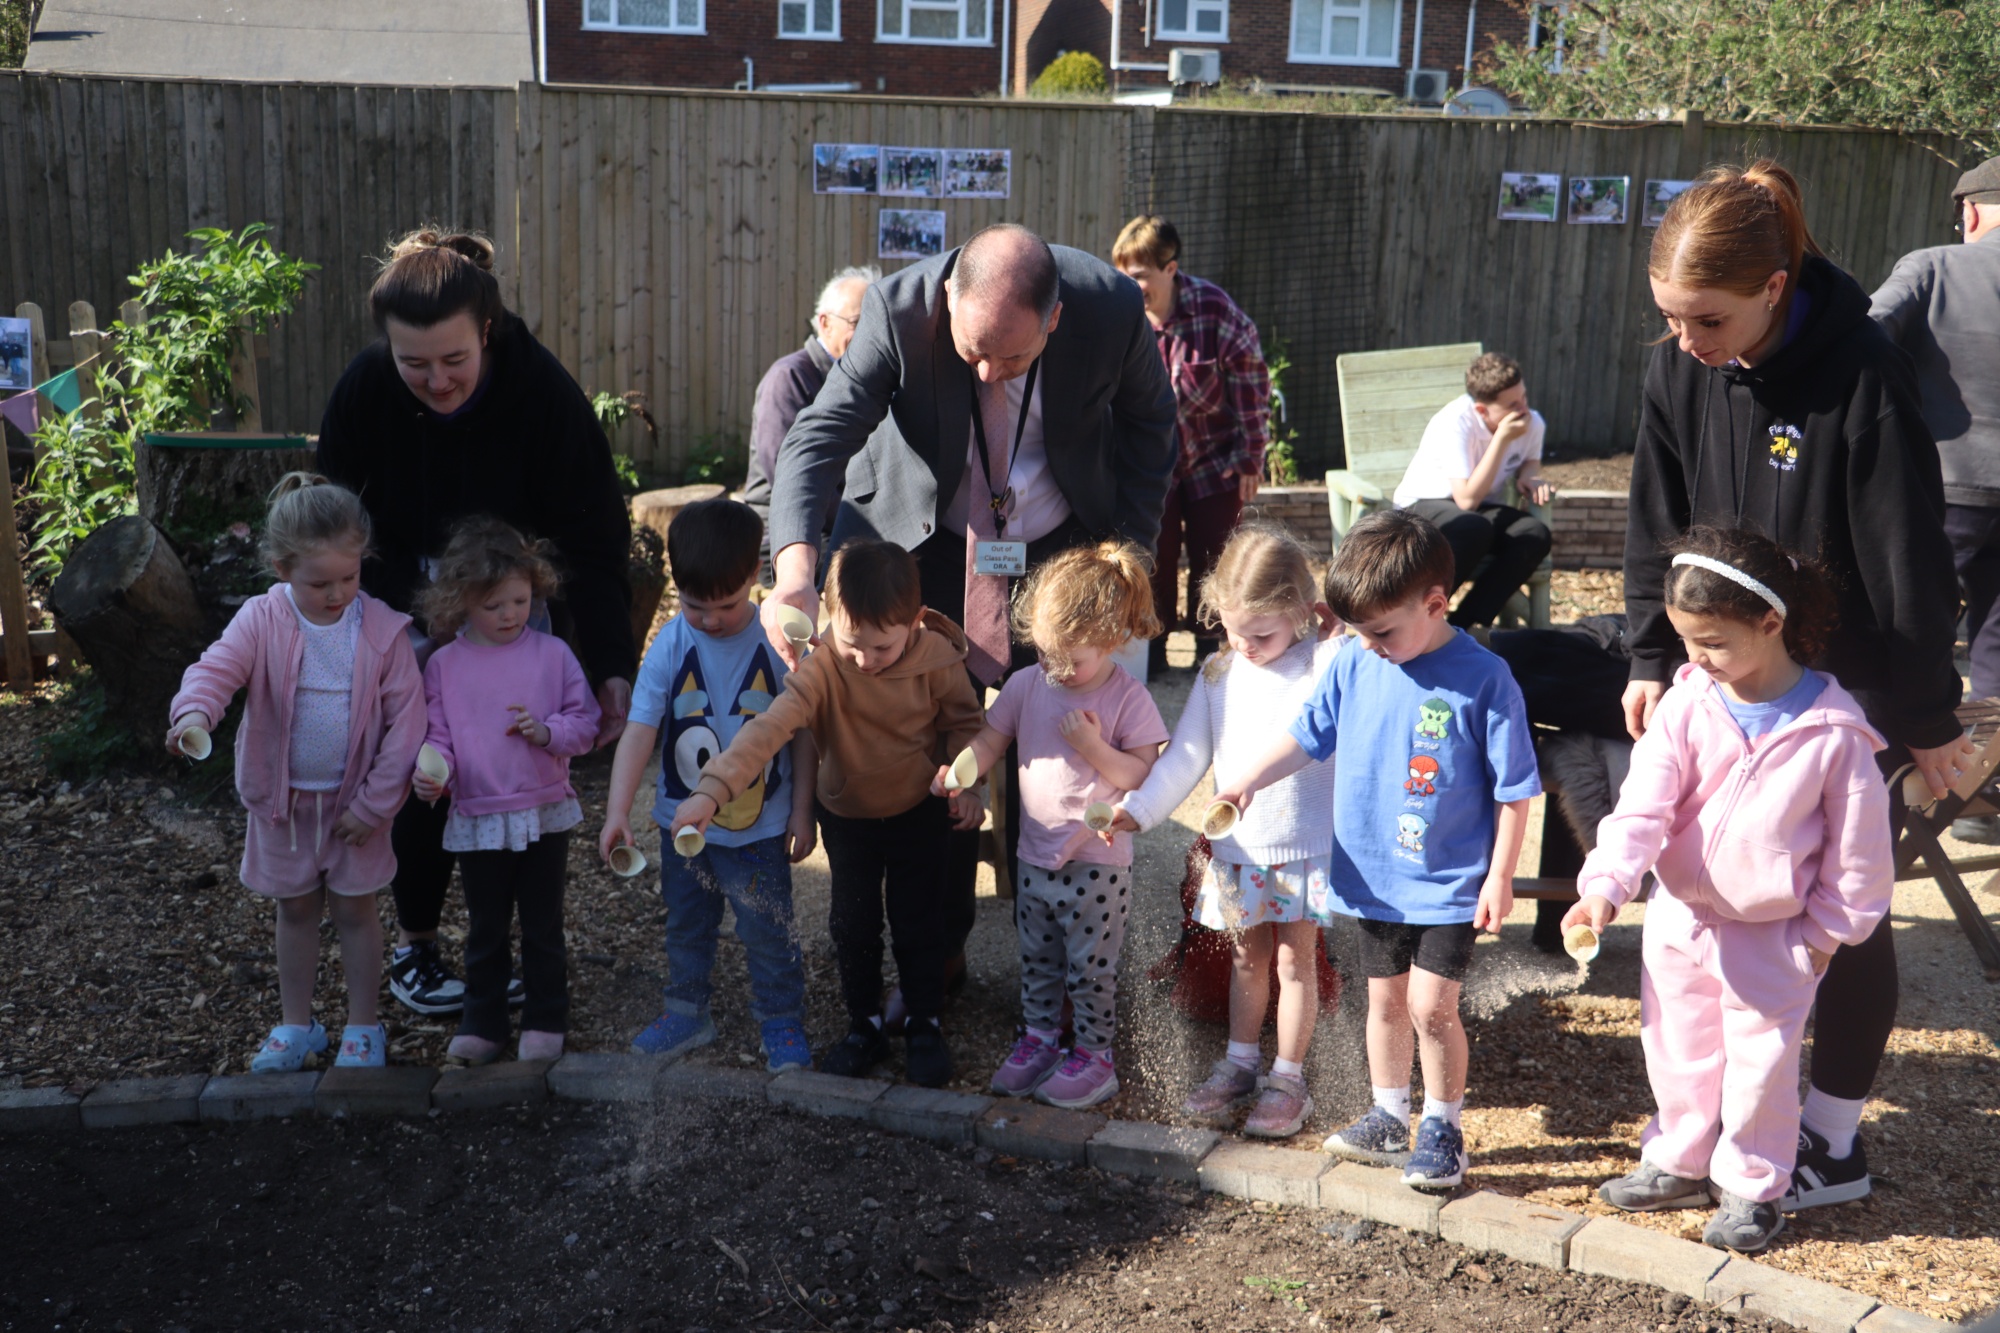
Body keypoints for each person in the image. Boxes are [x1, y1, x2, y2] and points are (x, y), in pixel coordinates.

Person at [1626, 161, 1972, 1210]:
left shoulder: (1860, 373)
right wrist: (1651, 656)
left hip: (1836, 696)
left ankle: (1830, 1144)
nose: (1688, 337)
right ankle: (1707, 1139)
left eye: (1707, 316)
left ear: (1775, 286)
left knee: (1838, 913)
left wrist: (1923, 719)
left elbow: (1908, 561)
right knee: (1708, 910)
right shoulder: (1681, 367)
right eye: (1671, 316)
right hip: (1717, 685)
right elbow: (1655, 518)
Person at [760, 223, 1177, 989]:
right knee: (934, 739)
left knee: (1049, 735)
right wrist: (793, 571)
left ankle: (1053, 962)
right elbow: (817, 436)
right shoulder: (896, 308)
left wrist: (1129, 561)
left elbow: (1154, 428)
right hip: (925, 539)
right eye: (972, 350)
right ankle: (937, 952)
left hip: (1058, 542)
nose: (988, 373)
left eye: (1012, 358)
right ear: (948, 298)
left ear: (1054, 320)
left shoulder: (1112, 309)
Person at [317, 229, 636, 1019]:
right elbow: (334, 522)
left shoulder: (541, 393)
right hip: (400, 616)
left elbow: (596, 540)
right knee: (422, 774)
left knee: (515, 777)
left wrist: (608, 664)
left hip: (516, 623)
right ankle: (417, 944)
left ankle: (522, 950)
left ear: (485, 330)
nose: (436, 381)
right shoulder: (364, 392)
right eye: (413, 363)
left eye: (453, 360)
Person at [1569, 527, 1893, 1253]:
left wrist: (1821, 938)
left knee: (1760, 1070)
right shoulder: (1690, 705)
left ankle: (1752, 1185)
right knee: (1676, 1048)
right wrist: (1607, 885)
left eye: (1712, 641)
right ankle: (1680, 1159)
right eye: (1687, 640)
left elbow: (1860, 858)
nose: (1696, 659)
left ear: (1771, 622)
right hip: (1679, 919)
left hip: (1773, 936)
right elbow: (1643, 809)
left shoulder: (1835, 734)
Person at [1224, 510, 1540, 1186]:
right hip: (1370, 874)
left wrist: (1502, 875)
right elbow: (1309, 735)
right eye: (1360, 631)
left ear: (1434, 603)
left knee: (1431, 1006)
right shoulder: (1353, 661)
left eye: (1381, 630)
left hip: (1449, 880)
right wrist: (1248, 776)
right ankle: (1389, 1112)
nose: (1368, 644)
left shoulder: (1485, 679)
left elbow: (1516, 789)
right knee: (1386, 1003)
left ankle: (1444, 1125)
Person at [671, 540, 985, 1087]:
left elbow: (966, 724)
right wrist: (711, 791)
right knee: (852, 925)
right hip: (849, 818)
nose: (865, 660)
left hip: (919, 812)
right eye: (851, 643)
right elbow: (769, 728)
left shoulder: (938, 661)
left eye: (882, 648)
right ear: (831, 617)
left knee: (919, 922)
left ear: (913, 623)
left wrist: (967, 781)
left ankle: (924, 1023)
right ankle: (862, 1023)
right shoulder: (823, 668)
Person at [167, 474, 426, 1071]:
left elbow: (407, 727)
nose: (337, 593)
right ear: (282, 568)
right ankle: (297, 1025)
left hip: (355, 807)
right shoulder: (261, 620)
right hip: (284, 806)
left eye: (349, 577)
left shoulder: (382, 632)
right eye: (320, 582)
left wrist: (375, 805)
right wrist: (193, 713)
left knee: (358, 912)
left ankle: (364, 1027)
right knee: (296, 911)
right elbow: (217, 669)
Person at [1108, 526, 1343, 1138]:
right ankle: (1240, 1061)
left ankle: (1288, 1077)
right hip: (1237, 848)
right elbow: (1186, 754)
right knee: (1247, 959)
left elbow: (1365, 648)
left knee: (1297, 962)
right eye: (1232, 629)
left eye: (1260, 633)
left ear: (1299, 611)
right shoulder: (1219, 672)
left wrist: (1337, 625)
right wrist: (1140, 809)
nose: (1245, 643)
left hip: (1306, 847)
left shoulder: (1324, 662)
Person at [940, 541, 1168, 1109]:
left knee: (1091, 971)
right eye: (1046, 654)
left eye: (1073, 660)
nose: (1057, 670)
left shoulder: (1127, 698)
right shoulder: (1026, 685)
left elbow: (1143, 772)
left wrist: (1091, 745)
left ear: (1114, 638)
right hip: (1034, 854)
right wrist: (964, 773)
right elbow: (992, 737)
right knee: (1038, 958)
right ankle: (1040, 1039)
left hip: (1097, 860)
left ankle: (1096, 1057)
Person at [600, 499, 818, 1071]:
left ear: (757, 575)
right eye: (696, 606)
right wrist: (616, 811)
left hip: (760, 828)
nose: (712, 619)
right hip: (682, 824)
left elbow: (803, 733)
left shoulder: (780, 641)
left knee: (768, 930)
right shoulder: (671, 645)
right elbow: (639, 731)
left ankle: (781, 1021)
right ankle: (687, 1011)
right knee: (686, 924)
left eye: (725, 604)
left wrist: (801, 810)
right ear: (677, 586)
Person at [411, 519, 602, 1065]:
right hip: (477, 814)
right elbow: (439, 738)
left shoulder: (553, 654)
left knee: (543, 925)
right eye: (494, 605)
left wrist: (547, 733)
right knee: (486, 928)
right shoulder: (444, 666)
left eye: (520, 600)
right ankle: (484, 1022)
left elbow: (583, 722)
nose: (511, 614)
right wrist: (434, 774)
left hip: (544, 810)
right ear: (459, 601)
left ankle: (546, 1017)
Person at [1871, 155, 2000, 841]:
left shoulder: (1934, 265)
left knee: (1907, 628)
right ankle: (1978, 803)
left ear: (1971, 211)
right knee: (1997, 647)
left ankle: (1884, 784)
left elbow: (1863, 338)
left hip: (1945, 487)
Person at [1111, 215, 1272, 668]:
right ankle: (1154, 651)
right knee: (1152, 557)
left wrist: (1250, 456)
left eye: (1139, 276)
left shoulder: (1214, 309)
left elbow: (1252, 384)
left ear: (1170, 269)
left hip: (1212, 460)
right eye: (1123, 274)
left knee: (1214, 556)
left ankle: (1211, 651)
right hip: (1147, 463)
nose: (1130, 285)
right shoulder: (1119, 314)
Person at [1392, 352, 1555, 628]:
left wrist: (1529, 477)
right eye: (1512, 405)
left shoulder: (1531, 423)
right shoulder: (1455, 422)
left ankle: (1461, 625)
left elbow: (1529, 461)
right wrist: (1501, 439)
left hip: (1476, 510)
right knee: (1473, 527)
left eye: (1524, 398)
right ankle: (1416, 620)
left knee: (1534, 534)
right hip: (1421, 507)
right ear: (1481, 410)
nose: (1524, 410)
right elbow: (1466, 499)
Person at [740, 265, 880, 579]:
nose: (872, 334)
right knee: (874, 577)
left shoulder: (869, 381)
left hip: (840, 523)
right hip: (788, 531)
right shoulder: (788, 378)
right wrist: (866, 525)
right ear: (825, 323)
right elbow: (792, 478)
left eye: (877, 323)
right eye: (859, 322)